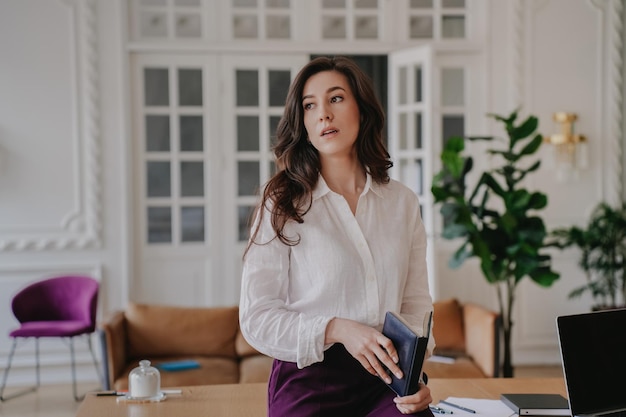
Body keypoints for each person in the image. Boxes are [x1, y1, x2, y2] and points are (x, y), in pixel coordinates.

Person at [239, 56, 435, 417]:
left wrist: (416, 376)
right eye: (310, 106)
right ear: (304, 125)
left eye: (336, 98)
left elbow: (416, 305)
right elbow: (257, 318)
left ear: (362, 108)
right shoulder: (281, 202)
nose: (323, 114)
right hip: (309, 378)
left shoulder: (402, 202)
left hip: (388, 379)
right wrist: (338, 329)